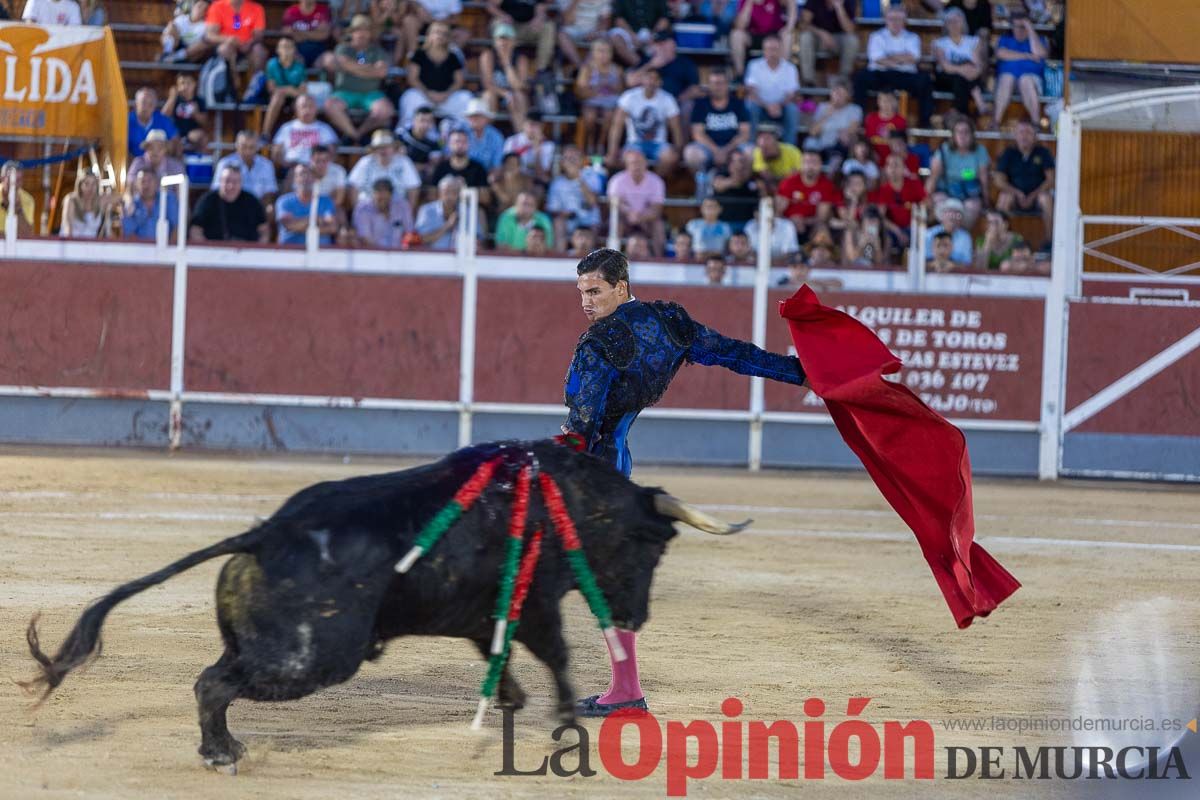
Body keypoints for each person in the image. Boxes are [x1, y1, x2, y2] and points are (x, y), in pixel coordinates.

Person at [563, 247, 806, 715]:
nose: (586, 302)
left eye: (594, 291)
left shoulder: (596, 345)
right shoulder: (670, 323)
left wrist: (557, 464)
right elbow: (734, 354)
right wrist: (798, 374)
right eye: (581, 293)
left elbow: (582, 424)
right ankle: (623, 686)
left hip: (594, 472)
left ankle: (624, 689)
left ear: (620, 285)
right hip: (616, 466)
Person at [852, 5, 933, 127]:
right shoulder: (876, 36)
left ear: (904, 21)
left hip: (905, 76)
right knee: (860, 77)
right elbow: (876, 59)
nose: (895, 22)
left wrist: (888, 57)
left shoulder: (912, 37)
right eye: (892, 19)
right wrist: (901, 59)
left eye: (899, 19)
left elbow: (914, 58)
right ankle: (859, 121)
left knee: (925, 80)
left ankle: (924, 123)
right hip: (881, 75)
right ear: (886, 19)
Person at [325, 15, 396, 144]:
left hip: (371, 94)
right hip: (345, 92)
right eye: (357, 30)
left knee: (386, 111)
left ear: (370, 33)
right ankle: (354, 134)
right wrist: (369, 69)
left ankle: (358, 134)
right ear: (351, 33)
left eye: (365, 30)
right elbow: (343, 63)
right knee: (330, 106)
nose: (361, 34)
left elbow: (381, 72)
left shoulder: (377, 51)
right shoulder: (343, 48)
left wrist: (353, 68)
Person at [608, 68, 681, 176]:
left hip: (659, 143)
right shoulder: (629, 97)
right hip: (634, 143)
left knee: (670, 158)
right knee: (629, 158)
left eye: (654, 79)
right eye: (648, 78)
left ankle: (655, 184)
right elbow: (616, 125)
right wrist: (612, 151)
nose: (651, 82)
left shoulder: (667, 99)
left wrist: (679, 151)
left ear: (660, 82)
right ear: (642, 79)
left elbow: (676, 128)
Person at [399, 20, 473, 127]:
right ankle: (407, 131)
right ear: (429, 35)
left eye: (444, 34)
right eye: (436, 32)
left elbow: (459, 81)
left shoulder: (453, 56)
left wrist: (446, 94)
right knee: (409, 97)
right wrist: (428, 93)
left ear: (448, 37)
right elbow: (412, 79)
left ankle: (460, 134)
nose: (440, 36)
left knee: (466, 97)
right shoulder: (419, 54)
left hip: (447, 98)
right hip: (424, 96)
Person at [683, 69, 750, 185]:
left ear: (727, 85)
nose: (717, 87)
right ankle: (703, 185)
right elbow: (697, 133)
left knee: (751, 152)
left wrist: (727, 150)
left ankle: (742, 186)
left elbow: (744, 133)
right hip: (708, 147)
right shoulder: (701, 104)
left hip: (733, 146)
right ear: (709, 85)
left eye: (721, 83)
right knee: (691, 153)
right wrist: (716, 151)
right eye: (713, 83)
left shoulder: (737, 103)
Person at [994, 117, 1055, 242]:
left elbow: (1051, 179)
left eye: (1028, 132)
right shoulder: (1009, 152)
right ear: (1015, 135)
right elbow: (998, 180)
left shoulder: (1043, 152)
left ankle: (1050, 241)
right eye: (1021, 132)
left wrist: (1033, 195)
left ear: (1034, 136)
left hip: (1037, 195)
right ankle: (1001, 240)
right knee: (1003, 198)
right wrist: (1017, 193)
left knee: (1046, 199)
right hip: (1015, 196)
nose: (1024, 136)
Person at [926, 116, 990, 228]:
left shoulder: (980, 151)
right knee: (939, 201)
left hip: (970, 192)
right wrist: (927, 197)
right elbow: (933, 177)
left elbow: (984, 179)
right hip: (947, 190)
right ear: (953, 135)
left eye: (966, 132)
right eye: (959, 132)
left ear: (972, 134)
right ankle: (946, 234)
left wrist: (986, 201)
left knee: (973, 206)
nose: (962, 135)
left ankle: (960, 236)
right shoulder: (944, 150)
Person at [607, 146, 666, 256]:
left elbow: (656, 208)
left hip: (647, 220)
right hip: (625, 218)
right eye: (633, 163)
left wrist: (641, 217)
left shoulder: (656, 181)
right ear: (626, 164)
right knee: (615, 223)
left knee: (659, 226)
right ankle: (611, 258)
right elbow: (614, 202)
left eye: (639, 162)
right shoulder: (617, 180)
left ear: (646, 164)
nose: (636, 166)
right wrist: (629, 213)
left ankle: (659, 258)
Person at [992, 9, 1046, 129]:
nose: (1019, 30)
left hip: (1032, 81)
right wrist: (1028, 55)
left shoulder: (1039, 40)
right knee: (1007, 78)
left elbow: (1040, 53)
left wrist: (1030, 29)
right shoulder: (1005, 39)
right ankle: (996, 122)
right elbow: (1001, 53)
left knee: (1025, 79)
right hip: (1007, 81)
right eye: (1016, 26)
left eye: (1023, 27)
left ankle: (1036, 123)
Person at [742, 34, 800, 144]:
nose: (772, 52)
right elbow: (751, 91)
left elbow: (792, 94)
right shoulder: (754, 65)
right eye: (769, 49)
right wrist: (767, 106)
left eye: (775, 49)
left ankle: (790, 148)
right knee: (750, 106)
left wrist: (778, 105)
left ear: (781, 50)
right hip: (760, 105)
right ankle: (750, 146)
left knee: (792, 109)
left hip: (782, 107)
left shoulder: (790, 68)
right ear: (763, 50)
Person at [932, 7, 989, 117]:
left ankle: (961, 114)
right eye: (950, 22)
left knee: (963, 79)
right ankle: (979, 103)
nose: (954, 25)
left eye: (957, 21)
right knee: (960, 77)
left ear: (963, 23)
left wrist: (972, 72)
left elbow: (978, 66)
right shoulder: (939, 43)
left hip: (968, 76)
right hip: (946, 77)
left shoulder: (973, 41)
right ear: (946, 25)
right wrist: (963, 70)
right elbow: (945, 66)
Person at [189, 165, 268, 242]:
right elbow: (195, 230)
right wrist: (209, 250)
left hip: (248, 252)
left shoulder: (252, 201)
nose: (231, 186)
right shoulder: (207, 200)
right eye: (227, 181)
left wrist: (255, 251)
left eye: (235, 182)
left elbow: (264, 232)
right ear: (220, 181)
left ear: (241, 183)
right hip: (213, 251)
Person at [348, 129, 421, 210]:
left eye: (387, 146)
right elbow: (353, 187)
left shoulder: (404, 162)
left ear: (394, 148)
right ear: (374, 150)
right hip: (369, 209)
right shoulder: (365, 162)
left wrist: (408, 213)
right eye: (379, 147)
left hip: (397, 208)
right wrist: (357, 212)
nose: (383, 150)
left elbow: (413, 188)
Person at [777, 149, 840, 241]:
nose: (810, 166)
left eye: (814, 162)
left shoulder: (827, 185)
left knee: (822, 228)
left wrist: (803, 221)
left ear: (820, 165)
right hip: (788, 224)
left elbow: (822, 217)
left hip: (812, 225)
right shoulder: (788, 182)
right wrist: (791, 221)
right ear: (801, 164)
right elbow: (778, 212)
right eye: (806, 162)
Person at [574, 38, 624, 155]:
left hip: (610, 101)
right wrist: (596, 89)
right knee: (590, 117)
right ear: (593, 53)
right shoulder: (587, 69)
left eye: (606, 51)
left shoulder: (617, 69)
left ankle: (601, 143)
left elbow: (621, 90)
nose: (603, 55)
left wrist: (613, 88)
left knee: (609, 116)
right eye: (600, 51)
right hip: (591, 100)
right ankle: (590, 142)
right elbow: (581, 91)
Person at [546, 145, 602, 248]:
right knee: (558, 223)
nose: (571, 162)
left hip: (589, 221)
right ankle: (560, 256)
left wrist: (578, 177)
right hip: (568, 221)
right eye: (568, 159)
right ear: (562, 162)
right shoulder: (557, 183)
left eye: (574, 158)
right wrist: (565, 214)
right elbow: (553, 210)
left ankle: (592, 261)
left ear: (582, 160)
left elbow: (593, 201)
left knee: (591, 231)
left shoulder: (592, 176)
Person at [802, 76, 861, 171]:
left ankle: (831, 173)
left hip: (840, 145)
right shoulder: (823, 107)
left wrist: (844, 132)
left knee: (843, 144)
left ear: (847, 95)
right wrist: (826, 115)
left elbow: (853, 127)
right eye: (835, 93)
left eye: (841, 93)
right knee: (809, 143)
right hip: (822, 144)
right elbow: (813, 132)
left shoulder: (854, 109)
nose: (838, 96)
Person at [479, 22, 530, 129]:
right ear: (495, 41)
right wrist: (505, 93)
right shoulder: (488, 56)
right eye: (500, 39)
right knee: (488, 97)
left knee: (519, 97)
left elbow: (519, 86)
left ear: (514, 41)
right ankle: (485, 135)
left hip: (513, 95)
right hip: (496, 93)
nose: (503, 43)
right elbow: (487, 83)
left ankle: (521, 137)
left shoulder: (521, 59)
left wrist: (507, 63)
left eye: (507, 39)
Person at [870, 152, 926, 248]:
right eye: (889, 165)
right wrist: (898, 232)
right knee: (884, 238)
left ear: (903, 168)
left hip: (914, 226)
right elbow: (881, 216)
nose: (893, 169)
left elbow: (926, 205)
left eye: (896, 165)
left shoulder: (914, 183)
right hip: (893, 229)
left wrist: (916, 224)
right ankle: (883, 262)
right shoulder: (883, 189)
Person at [484, 0, 556, 74]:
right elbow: (490, 5)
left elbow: (541, 6)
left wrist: (539, 17)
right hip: (508, 25)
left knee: (548, 27)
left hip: (528, 27)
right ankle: (502, 67)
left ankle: (542, 70)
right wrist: (502, 15)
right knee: (500, 26)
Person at [796, 0, 857, 86]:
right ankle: (808, 80)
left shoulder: (848, 2)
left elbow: (850, 30)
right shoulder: (814, 2)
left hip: (837, 41)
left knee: (852, 40)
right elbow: (803, 24)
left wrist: (839, 7)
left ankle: (844, 79)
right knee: (805, 37)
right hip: (818, 38)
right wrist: (822, 33)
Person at [276, 163, 339, 245]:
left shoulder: (326, 201)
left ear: (315, 179)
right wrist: (316, 219)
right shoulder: (284, 201)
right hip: (289, 252)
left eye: (309, 174)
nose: (305, 177)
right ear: (295, 179)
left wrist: (298, 225)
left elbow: (332, 227)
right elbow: (289, 225)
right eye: (301, 174)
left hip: (321, 253)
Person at [204, 0, 269, 79]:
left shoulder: (257, 8)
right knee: (225, 49)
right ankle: (232, 83)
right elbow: (210, 35)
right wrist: (228, 40)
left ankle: (255, 86)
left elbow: (258, 35)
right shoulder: (217, 7)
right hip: (226, 44)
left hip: (248, 46)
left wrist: (249, 43)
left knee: (259, 52)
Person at [730, 0, 795, 77]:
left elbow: (791, 4)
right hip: (753, 35)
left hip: (774, 35)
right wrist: (749, 3)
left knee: (788, 36)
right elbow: (740, 26)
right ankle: (740, 74)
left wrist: (788, 28)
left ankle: (783, 74)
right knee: (736, 35)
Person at [271, 94, 339, 167]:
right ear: (296, 109)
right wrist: (286, 165)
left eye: (310, 106)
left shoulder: (325, 129)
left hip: (315, 169)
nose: (307, 110)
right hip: (291, 168)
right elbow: (276, 153)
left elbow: (332, 153)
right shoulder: (286, 128)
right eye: (303, 106)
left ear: (316, 108)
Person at [262, 36, 309, 138]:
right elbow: (271, 89)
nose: (286, 50)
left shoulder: (299, 67)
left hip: (294, 98)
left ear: (294, 50)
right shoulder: (272, 64)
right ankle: (265, 133)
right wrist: (289, 90)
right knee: (278, 97)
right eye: (283, 47)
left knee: (302, 102)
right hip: (276, 97)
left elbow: (303, 91)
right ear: (278, 50)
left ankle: (297, 135)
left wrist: (288, 91)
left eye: (289, 47)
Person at [430, 129, 491, 206]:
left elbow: (486, 198)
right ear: (449, 144)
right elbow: (431, 196)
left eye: (464, 142)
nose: (460, 145)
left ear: (469, 144)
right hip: (445, 211)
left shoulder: (478, 168)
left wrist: (464, 189)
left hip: (470, 209)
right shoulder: (441, 168)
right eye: (456, 141)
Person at [215, 130, 278, 205]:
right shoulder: (224, 163)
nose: (247, 151)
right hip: (231, 206)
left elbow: (270, 192)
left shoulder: (267, 165)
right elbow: (217, 189)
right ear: (237, 146)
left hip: (258, 208)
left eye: (251, 147)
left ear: (258, 147)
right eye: (244, 146)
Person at [352, 177, 414, 248]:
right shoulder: (363, 209)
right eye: (379, 198)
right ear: (373, 194)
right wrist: (383, 255)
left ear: (391, 195)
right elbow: (365, 238)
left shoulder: (402, 206)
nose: (382, 201)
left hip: (400, 253)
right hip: (372, 253)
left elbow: (409, 232)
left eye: (385, 198)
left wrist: (403, 250)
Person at [121, 167, 177, 240]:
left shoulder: (168, 200)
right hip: (138, 248)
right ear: (137, 184)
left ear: (157, 183)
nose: (146, 185)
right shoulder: (130, 203)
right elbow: (128, 234)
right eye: (142, 181)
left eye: (150, 181)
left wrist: (170, 249)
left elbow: (177, 228)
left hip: (166, 248)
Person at [608, 0, 669, 67]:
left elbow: (664, 18)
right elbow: (618, 19)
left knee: (668, 43)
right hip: (629, 32)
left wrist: (653, 35)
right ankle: (640, 66)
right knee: (615, 37)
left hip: (652, 34)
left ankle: (651, 70)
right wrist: (632, 36)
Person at [712, 148, 762, 228]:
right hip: (725, 223)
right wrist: (739, 173)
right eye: (736, 161)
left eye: (742, 161)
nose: (740, 165)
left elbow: (763, 193)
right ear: (729, 164)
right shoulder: (721, 174)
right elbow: (732, 183)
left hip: (749, 224)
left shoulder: (753, 177)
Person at [282, 0, 334, 72]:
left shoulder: (323, 10)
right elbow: (286, 32)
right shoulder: (291, 11)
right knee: (289, 59)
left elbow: (324, 35)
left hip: (319, 53)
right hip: (297, 52)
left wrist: (299, 33)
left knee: (330, 61)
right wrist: (315, 33)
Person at [503, 113, 555, 185]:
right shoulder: (512, 141)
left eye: (536, 125)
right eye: (530, 124)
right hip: (515, 179)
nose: (532, 129)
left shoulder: (548, 145)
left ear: (542, 127)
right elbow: (507, 167)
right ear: (524, 124)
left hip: (534, 182)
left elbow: (541, 174)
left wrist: (537, 150)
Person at [163, 73, 209, 154]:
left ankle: (202, 163)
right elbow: (163, 116)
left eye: (188, 83)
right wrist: (171, 99)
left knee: (202, 137)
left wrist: (196, 113)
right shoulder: (175, 100)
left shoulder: (199, 100)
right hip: (175, 132)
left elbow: (204, 122)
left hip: (191, 133)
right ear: (178, 86)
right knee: (174, 141)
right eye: (182, 83)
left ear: (194, 84)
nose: (185, 87)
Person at [555, 0, 610, 66]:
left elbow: (604, 21)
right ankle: (580, 66)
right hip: (574, 28)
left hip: (594, 29)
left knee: (605, 37)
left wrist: (596, 32)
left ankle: (586, 68)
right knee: (561, 35)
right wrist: (576, 2)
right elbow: (567, 21)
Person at [60, 172, 114, 239]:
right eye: (86, 184)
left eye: (94, 184)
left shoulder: (101, 201)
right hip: (71, 244)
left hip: (91, 247)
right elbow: (68, 228)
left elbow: (122, 198)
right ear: (80, 185)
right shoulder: (71, 200)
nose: (90, 188)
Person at [128, 88, 178, 157]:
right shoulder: (126, 122)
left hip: (160, 164)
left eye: (150, 104)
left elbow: (175, 142)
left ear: (155, 106)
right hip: (133, 163)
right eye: (143, 102)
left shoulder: (163, 120)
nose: (146, 107)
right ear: (136, 104)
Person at [416, 174, 462, 250]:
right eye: (446, 192)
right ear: (439, 193)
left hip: (461, 260)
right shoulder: (426, 210)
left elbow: (479, 240)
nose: (450, 196)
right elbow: (422, 239)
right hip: (432, 259)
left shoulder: (467, 211)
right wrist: (448, 225)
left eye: (454, 192)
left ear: (459, 194)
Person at [750, 125, 801, 193]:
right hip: (772, 187)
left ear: (776, 141)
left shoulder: (792, 151)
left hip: (793, 187)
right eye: (760, 139)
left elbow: (798, 175)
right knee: (761, 184)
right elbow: (767, 177)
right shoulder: (758, 152)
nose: (763, 143)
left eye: (767, 138)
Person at [924, 197, 972, 267]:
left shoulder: (965, 237)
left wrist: (952, 265)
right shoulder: (928, 234)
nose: (952, 217)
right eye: (949, 213)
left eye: (957, 214)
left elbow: (967, 264)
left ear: (961, 219)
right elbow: (921, 262)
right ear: (941, 216)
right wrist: (935, 264)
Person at [396, 106, 442, 178]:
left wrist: (420, 167)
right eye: (422, 120)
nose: (425, 125)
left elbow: (432, 166)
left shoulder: (435, 142)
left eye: (429, 121)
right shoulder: (401, 135)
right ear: (414, 121)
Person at [863, 89, 905, 165]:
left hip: (894, 160)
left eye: (889, 100)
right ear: (878, 102)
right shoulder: (871, 118)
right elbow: (867, 140)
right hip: (873, 159)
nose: (886, 104)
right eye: (883, 100)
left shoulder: (900, 121)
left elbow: (901, 145)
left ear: (894, 102)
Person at [0, 161, 35, 237]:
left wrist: (18, 210)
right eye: (12, 181)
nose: (15, 185)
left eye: (19, 180)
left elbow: (27, 234)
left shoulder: (28, 200)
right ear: (2, 178)